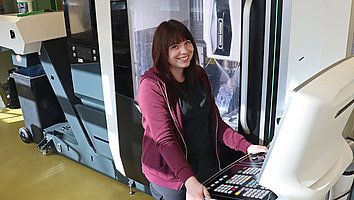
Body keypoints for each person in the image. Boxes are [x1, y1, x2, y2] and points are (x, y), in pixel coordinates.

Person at [137, 19, 268, 200]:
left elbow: (215, 123)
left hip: (206, 166)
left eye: (187, 42)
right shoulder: (152, 86)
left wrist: (247, 147)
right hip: (174, 176)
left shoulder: (198, 74)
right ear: (161, 51)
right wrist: (189, 181)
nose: (184, 51)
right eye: (175, 46)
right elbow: (165, 140)